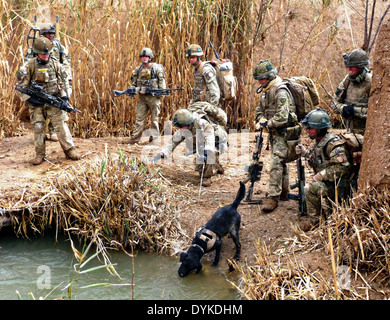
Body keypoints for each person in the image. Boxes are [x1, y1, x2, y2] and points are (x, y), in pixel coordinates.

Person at [16, 37, 80, 165]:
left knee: (61, 125)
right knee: (39, 127)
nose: (45, 56)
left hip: (53, 100)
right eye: (42, 53)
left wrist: (64, 97)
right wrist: (30, 99)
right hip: (37, 104)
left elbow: (64, 83)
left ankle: (69, 150)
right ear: (36, 53)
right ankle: (40, 154)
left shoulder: (56, 65)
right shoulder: (30, 65)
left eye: (47, 53)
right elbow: (21, 87)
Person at [253, 60, 302, 212]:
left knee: (276, 163)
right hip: (275, 133)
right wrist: (260, 119)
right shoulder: (266, 91)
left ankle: (273, 196)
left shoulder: (280, 91)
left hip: (285, 133)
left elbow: (282, 116)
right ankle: (284, 192)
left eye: (263, 78)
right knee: (281, 163)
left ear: (270, 76)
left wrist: (267, 123)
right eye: (259, 79)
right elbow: (259, 110)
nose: (260, 82)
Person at [296, 108, 353, 230]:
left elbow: (343, 168)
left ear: (320, 128)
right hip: (330, 183)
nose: (307, 131)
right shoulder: (319, 142)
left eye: (310, 128)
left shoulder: (333, 144)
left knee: (309, 188)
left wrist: (321, 175)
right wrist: (305, 153)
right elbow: (317, 159)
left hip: (340, 187)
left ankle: (315, 220)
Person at [25, 22, 73, 142]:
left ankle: (52, 131)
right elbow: (29, 64)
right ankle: (40, 137)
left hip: (55, 79)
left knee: (56, 105)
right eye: (48, 33)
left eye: (52, 33)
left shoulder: (58, 46)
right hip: (38, 81)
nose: (51, 35)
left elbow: (66, 62)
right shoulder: (36, 47)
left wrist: (66, 79)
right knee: (38, 111)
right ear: (42, 34)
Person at [154, 108, 225, 187]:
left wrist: (207, 150)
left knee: (207, 155)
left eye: (181, 127)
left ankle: (207, 177)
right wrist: (163, 152)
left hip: (217, 141)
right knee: (200, 166)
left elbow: (210, 137)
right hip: (201, 142)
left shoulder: (202, 124)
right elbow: (173, 142)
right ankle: (216, 165)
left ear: (188, 123)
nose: (180, 129)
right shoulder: (184, 128)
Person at [124, 47, 166, 144]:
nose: (144, 58)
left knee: (154, 119)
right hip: (142, 97)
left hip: (153, 97)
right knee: (140, 119)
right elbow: (134, 83)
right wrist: (130, 90)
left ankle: (155, 140)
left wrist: (161, 94)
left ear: (150, 57)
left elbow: (161, 82)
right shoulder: (138, 69)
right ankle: (134, 139)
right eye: (142, 57)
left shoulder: (156, 68)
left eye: (146, 57)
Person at [332, 48, 371, 135]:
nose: (348, 68)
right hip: (350, 133)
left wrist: (355, 110)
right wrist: (343, 109)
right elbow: (334, 104)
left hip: (367, 134)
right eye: (348, 65)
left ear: (361, 67)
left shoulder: (371, 82)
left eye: (352, 66)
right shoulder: (347, 80)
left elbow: (377, 112)